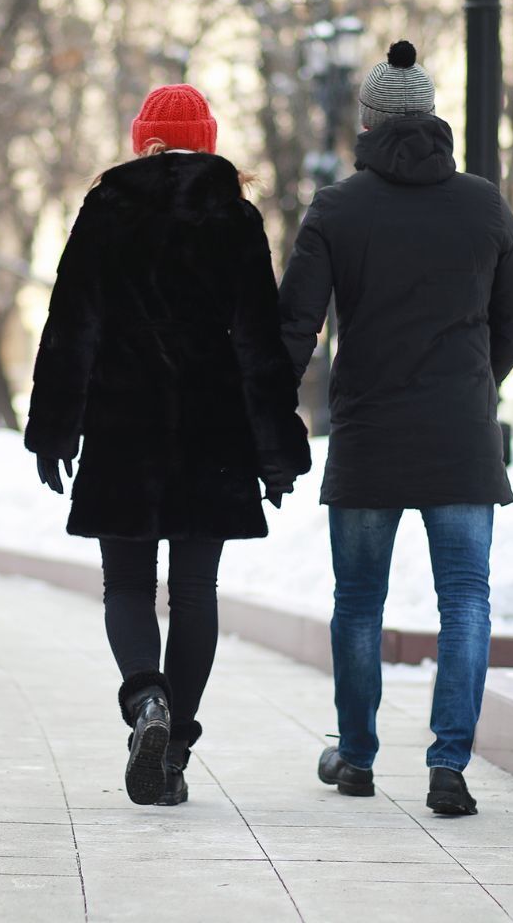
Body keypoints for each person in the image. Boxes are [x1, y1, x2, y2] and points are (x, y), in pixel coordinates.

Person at [24, 84, 312, 807]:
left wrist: (55, 427)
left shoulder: (106, 210)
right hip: (212, 434)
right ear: (209, 140)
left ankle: (144, 702)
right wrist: (275, 448)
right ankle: (175, 748)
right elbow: (258, 344)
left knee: (124, 585)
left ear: (139, 139)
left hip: (123, 428)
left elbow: (72, 326)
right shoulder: (236, 218)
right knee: (193, 592)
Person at [278, 41, 513, 817]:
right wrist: (474, 388)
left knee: (358, 600)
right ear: (431, 117)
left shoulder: (337, 208)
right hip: (459, 435)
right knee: (466, 599)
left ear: (367, 122)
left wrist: (267, 408)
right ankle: (448, 765)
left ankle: (355, 758)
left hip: (369, 434)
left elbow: (297, 324)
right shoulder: (483, 203)